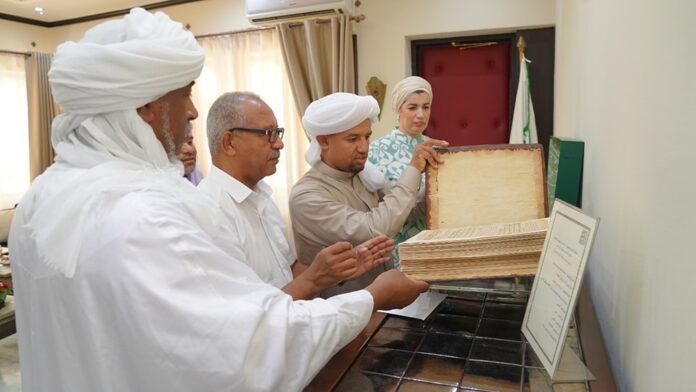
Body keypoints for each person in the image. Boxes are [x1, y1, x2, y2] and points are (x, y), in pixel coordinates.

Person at [9, 9, 428, 391]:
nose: (192, 112)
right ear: (145, 107)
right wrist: (372, 297)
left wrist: (322, 276)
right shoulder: (145, 214)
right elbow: (250, 347)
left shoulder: (42, 196)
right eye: (185, 93)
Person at [199, 91, 394, 298]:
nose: (279, 144)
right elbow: (247, 311)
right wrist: (369, 294)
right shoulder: (210, 210)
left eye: (278, 133)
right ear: (229, 143)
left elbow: (288, 272)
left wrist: (336, 272)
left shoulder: (263, 199)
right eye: (268, 134)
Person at [289, 92, 448, 298]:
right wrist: (413, 169)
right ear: (323, 141)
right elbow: (375, 230)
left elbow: (405, 211)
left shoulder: (364, 175)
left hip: (380, 303)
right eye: (353, 139)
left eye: (367, 136)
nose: (364, 148)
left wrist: (443, 184)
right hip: (339, 313)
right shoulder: (308, 196)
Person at [368, 76, 434, 268]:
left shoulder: (437, 150)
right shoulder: (375, 151)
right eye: (412, 107)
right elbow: (378, 209)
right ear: (398, 109)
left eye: (426, 107)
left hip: (433, 248)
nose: (420, 115)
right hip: (395, 250)